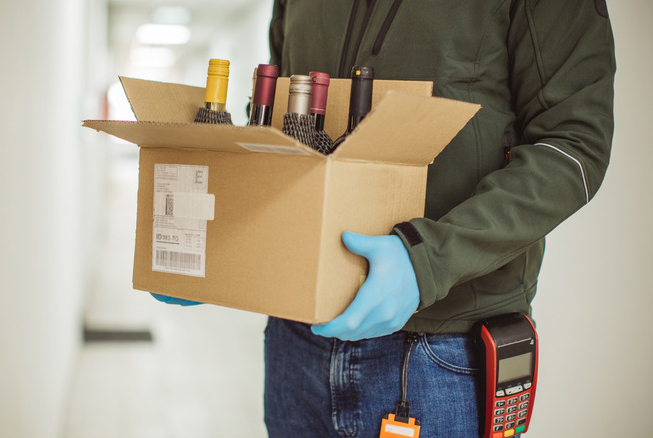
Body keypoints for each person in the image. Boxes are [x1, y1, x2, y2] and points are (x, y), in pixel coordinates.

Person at [156, 1, 615, 437]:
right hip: (296, 336)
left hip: (438, 354)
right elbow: (287, 132)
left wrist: (427, 260)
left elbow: (573, 145)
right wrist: (230, 243)